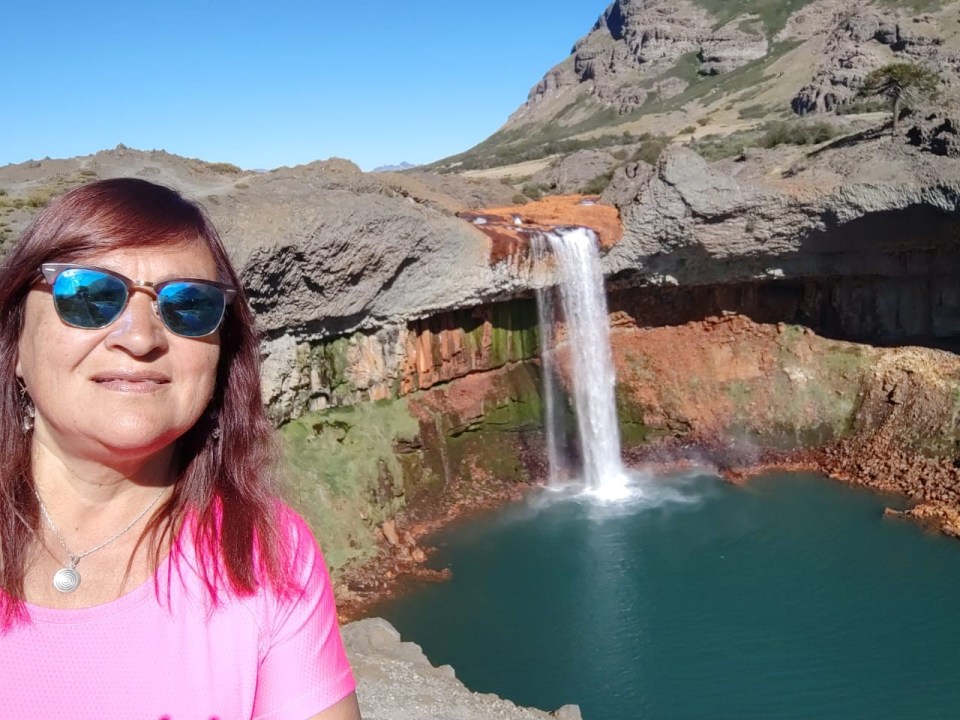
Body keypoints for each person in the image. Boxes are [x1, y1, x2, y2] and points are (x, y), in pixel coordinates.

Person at [0, 178, 361, 719]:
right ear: (15, 344)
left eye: (188, 305)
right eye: (89, 296)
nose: (140, 338)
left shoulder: (268, 555)